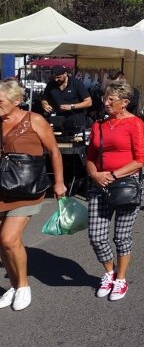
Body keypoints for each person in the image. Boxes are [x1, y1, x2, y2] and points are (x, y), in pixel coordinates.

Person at [0, 80, 65, 311]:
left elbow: (55, 151)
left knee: (8, 238)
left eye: (0, 102)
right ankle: (15, 285)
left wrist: (59, 183)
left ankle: (24, 285)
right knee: (2, 243)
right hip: (3, 186)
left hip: (28, 188)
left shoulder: (34, 120)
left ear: (16, 102)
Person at [85, 80, 144, 302]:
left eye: (111, 99)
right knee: (96, 236)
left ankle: (121, 278)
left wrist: (112, 175)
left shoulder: (135, 124)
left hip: (125, 185)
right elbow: (90, 157)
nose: (106, 102)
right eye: (105, 98)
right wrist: (95, 175)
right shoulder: (99, 125)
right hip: (99, 184)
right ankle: (109, 273)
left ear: (125, 102)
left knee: (121, 236)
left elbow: (141, 160)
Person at [41, 65, 93, 135]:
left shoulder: (76, 83)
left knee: (76, 144)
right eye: (54, 78)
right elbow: (44, 99)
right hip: (58, 120)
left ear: (65, 74)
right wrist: (45, 104)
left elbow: (89, 102)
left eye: (58, 77)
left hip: (76, 121)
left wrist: (71, 106)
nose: (56, 80)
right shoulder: (51, 85)